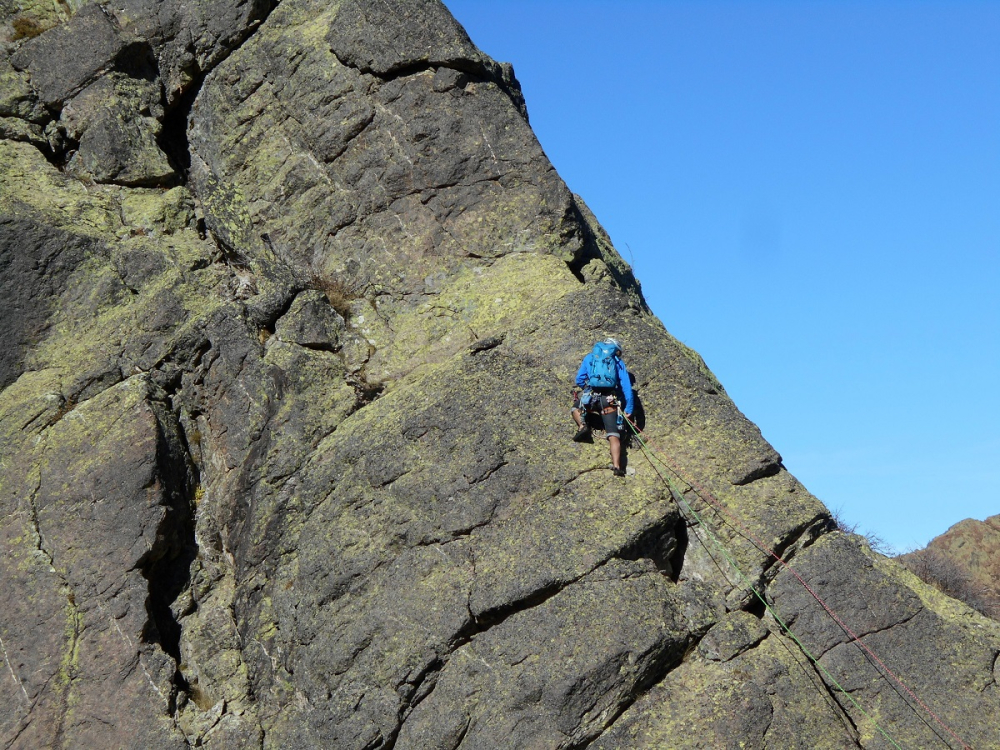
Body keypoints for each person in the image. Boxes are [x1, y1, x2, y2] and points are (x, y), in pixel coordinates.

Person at [571, 338, 634, 477]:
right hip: (609, 400)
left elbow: (579, 379)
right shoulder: (617, 362)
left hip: (591, 398)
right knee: (613, 435)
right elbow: (626, 387)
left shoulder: (591, 357)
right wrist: (628, 408)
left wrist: (587, 389)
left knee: (575, 409)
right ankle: (617, 467)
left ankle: (583, 426)